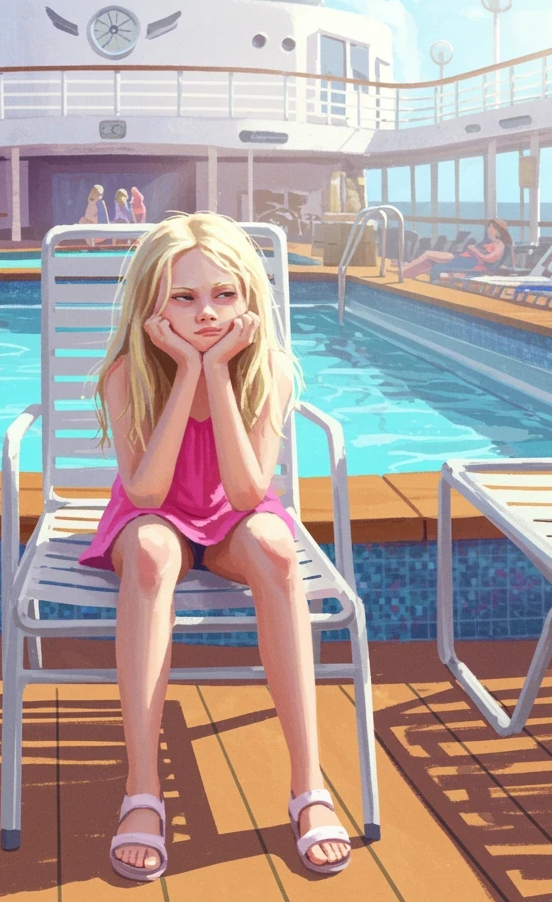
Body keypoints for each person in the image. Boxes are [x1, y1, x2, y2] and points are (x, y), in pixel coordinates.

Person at [80, 213, 352, 880]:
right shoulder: (127, 373)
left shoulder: (271, 370)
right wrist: (183, 372)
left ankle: (306, 782)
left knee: (277, 549)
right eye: (184, 296)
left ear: (249, 298)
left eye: (223, 295)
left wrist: (219, 374)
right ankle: (142, 791)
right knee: (150, 552)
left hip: (233, 517)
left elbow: (246, 488)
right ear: (152, 303)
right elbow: (145, 493)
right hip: (155, 519)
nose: (206, 312)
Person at [402, 219, 514, 281]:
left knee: (428, 254)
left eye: (492, 228)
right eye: (489, 227)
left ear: (499, 231)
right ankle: (405, 273)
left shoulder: (500, 244)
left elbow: (490, 259)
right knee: (429, 261)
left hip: (468, 262)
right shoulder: (490, 242)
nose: (489, 230)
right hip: (463, 258)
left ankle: (403, 271)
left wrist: (474, 250)